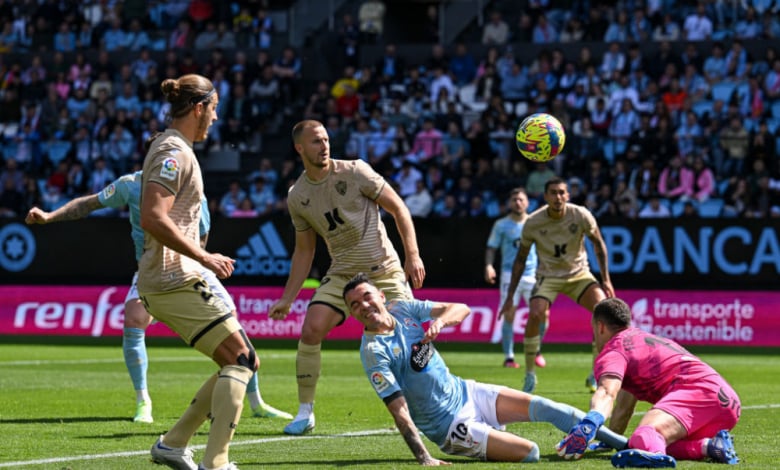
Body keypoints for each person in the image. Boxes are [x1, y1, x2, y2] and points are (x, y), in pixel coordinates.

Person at [24, 170, 291, 425]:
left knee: (230, 321)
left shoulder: (191, 186)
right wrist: (49, 216)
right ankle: (143, 401)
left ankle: (256, 402)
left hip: (190, 267)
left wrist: (201, 261)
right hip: (151, 271)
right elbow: (89, 204)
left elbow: (203, 232)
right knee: (134, 317)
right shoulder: (131, 185)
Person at [342, 273, 628, 464]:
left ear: (381, 295)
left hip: (467, 391)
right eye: (354, 305)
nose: (364, 306)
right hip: (450, 427)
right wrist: (423, 457)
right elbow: (399, 410)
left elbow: (462, 308)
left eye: (366, 296)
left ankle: (626, 445)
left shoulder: (402, 309)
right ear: (352, 314)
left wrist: (440, 322)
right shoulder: (373, 352)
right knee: (531, 453)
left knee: (552, 408)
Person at [269, 119, 426, 435]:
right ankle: (305, 413)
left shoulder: (355, 171)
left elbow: (399, 209)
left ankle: (425, 408)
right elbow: (304, 252)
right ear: (299, 148)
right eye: (316, 141)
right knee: (311, 328)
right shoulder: (298, 196)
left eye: (326, 139)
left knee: (410, 337)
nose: (324, 145)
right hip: (342, 274)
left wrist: (413, 255)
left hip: (383, 269)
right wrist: (288, 297)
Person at [137, 73, 254, 470]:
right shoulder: (173, 151)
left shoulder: (178, 148)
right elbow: (153, 217)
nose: (217, 118)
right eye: (215, 109)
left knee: (239, 361)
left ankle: (173, 444)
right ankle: (216, 463)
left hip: (179, 277)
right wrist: (204, 258)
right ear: (199, 107)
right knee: (241, 359)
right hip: (173, 278)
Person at [556, 297, 740, 467]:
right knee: (642, 443)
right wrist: (608, 440)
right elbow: (623, 407)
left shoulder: (614, 350)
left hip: (699, 392)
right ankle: (710, 446)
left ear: (600, 326)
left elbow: (606, 391)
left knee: (645, 436)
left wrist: (590, 421)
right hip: (727, 405)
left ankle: (655, 457)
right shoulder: (640, 340)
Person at [499, 177, 614, 394]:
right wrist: (510, 295)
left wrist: (606, 279)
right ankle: (530, 375)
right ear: (545, 196)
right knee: (535, 314)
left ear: (568, 195)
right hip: (548, 276)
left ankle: (595, 373)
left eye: (562, 192)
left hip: (578, 274)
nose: (558, 197)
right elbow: (520, 259)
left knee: (603, 310)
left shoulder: (580, 215)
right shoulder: (533, 222)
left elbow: (598, 244)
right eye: (553, 192)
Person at [484, 188, 548, 369]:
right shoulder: (501, 225)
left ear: (527, 203)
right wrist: (489, 266)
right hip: (509, 275)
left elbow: (544, 248)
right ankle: (509, 357)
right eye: (514, 200)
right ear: (509, 203)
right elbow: (491, 247)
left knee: (542, 314)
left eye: (521, 199)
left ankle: (536, 350)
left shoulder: (534, 223)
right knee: (509, 315)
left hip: (532, 275)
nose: (518, 203)